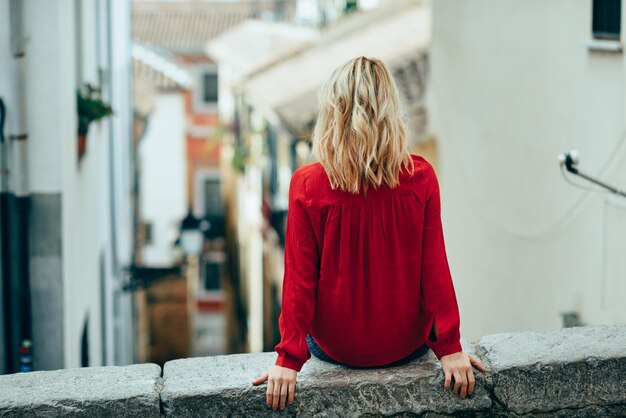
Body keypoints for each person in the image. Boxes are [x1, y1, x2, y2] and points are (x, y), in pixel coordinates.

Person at [251, 56, 485, 411]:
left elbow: (299, 282)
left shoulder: (307, 185)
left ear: (333, 113)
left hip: (335, 349)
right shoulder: (420, 178)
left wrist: (287, 359)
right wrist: (450, 347)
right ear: (391, 111)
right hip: (406, 345)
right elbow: (434, 269)